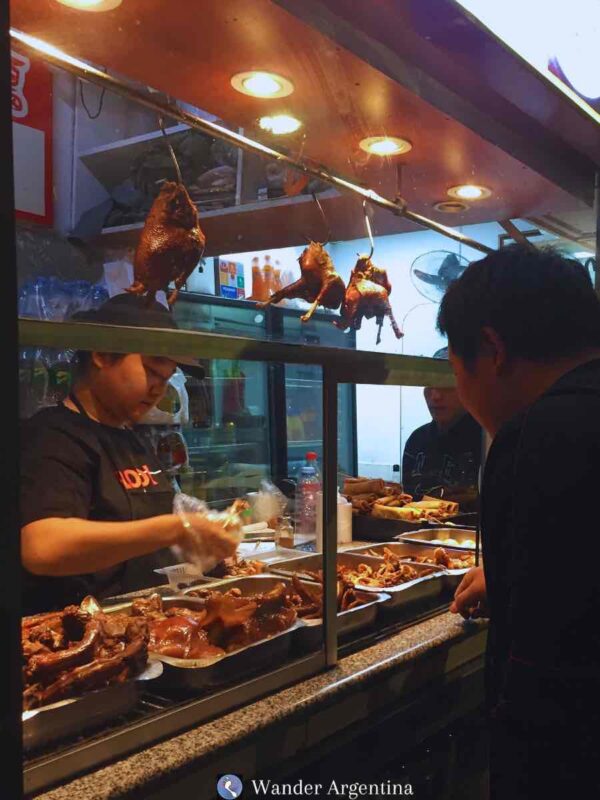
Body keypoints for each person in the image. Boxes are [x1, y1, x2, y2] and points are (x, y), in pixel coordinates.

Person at [438, 244, 600, 798]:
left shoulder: (535, 435)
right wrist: (505, 576)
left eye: (456, 371)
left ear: (492, 350)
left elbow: (538, 664)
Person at [21, 294, 237, 615]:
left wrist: (201, 549)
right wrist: (176, 529)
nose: (159, 389)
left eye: (166, 378)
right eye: (151, 371)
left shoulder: (131, 439)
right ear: (101, 353)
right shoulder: (53, 435)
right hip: (87, 636)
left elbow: (146, 548)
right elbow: (42, 547)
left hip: (148, 621)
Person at [402, 347, 482, 507]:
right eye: (429, 385)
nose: (435, 396)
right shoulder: (417, 440)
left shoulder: (485, 439)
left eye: (446, 386)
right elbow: (407, 503)